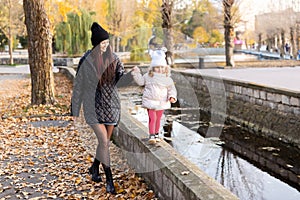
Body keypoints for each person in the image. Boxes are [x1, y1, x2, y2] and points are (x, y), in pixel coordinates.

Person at [71, 22, 125, 194]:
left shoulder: (114, 58)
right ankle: (109, 180)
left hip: (111, 106)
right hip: (92, 105)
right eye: (102, 43)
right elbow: (78, 85)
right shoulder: (86, 60)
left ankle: (95, 167)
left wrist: (134, 77)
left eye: (107, 43)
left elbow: (121, 80)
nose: (105, 46)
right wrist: (74, 108)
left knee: (105, 143)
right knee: (103, 141)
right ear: (95, 44)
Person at [131, 49, 177, 144]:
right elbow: (140, 82)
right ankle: (152, 135)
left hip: (162, 102)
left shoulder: (167, 78)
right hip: (150, 101)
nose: (160, 69)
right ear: (152, 68)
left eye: (162, 67)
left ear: (165, 68)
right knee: (152, 118)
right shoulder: (148, 76)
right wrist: (136, 73)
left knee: (158, 119)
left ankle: (156, 134)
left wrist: (172, 96)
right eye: (157, 67)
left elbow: (171, 89)